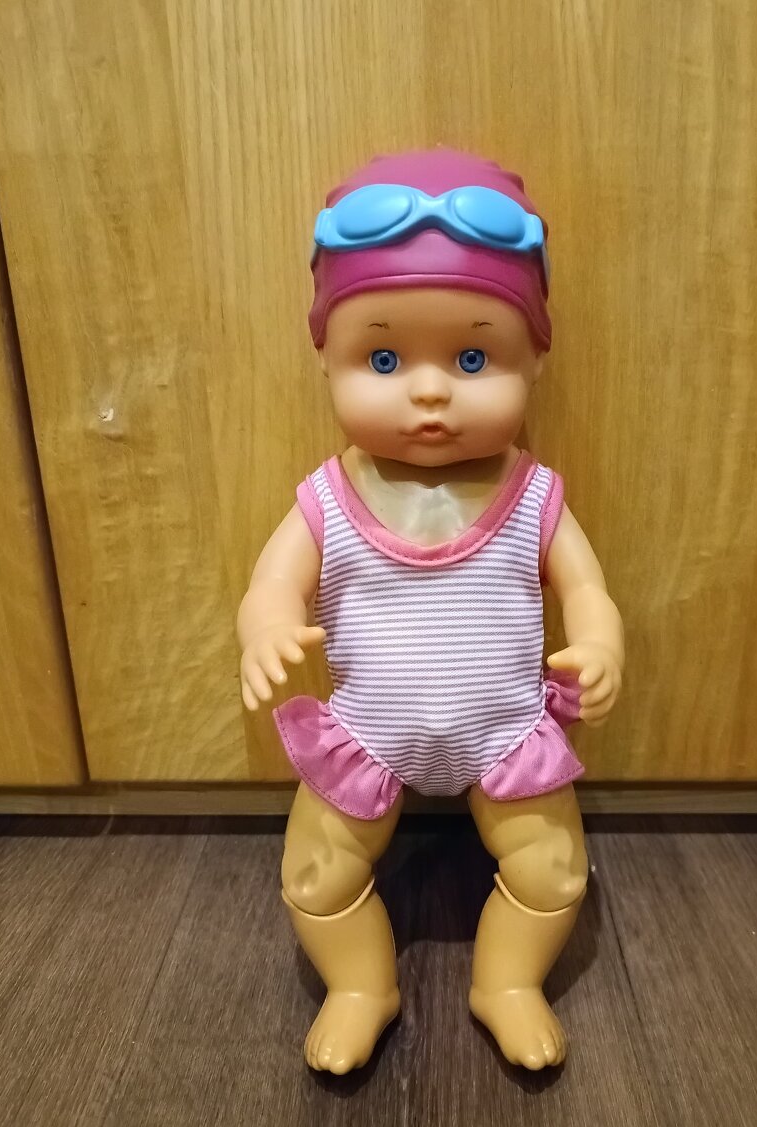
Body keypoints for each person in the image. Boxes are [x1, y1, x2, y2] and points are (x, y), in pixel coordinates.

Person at [237, 148, 624, 1074]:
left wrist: (601, 643)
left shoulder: (535, 495)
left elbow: (586, 588)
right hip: (367, 735)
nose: (429, 390)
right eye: (382, 358)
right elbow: (271, 584)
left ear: (535, 356)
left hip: (506, 734)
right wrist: (266, 628)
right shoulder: (327, 498)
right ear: (325, 356)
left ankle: (508, 982)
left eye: (473, 357)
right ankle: (360, 985)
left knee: (553, 873)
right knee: (315, 879)